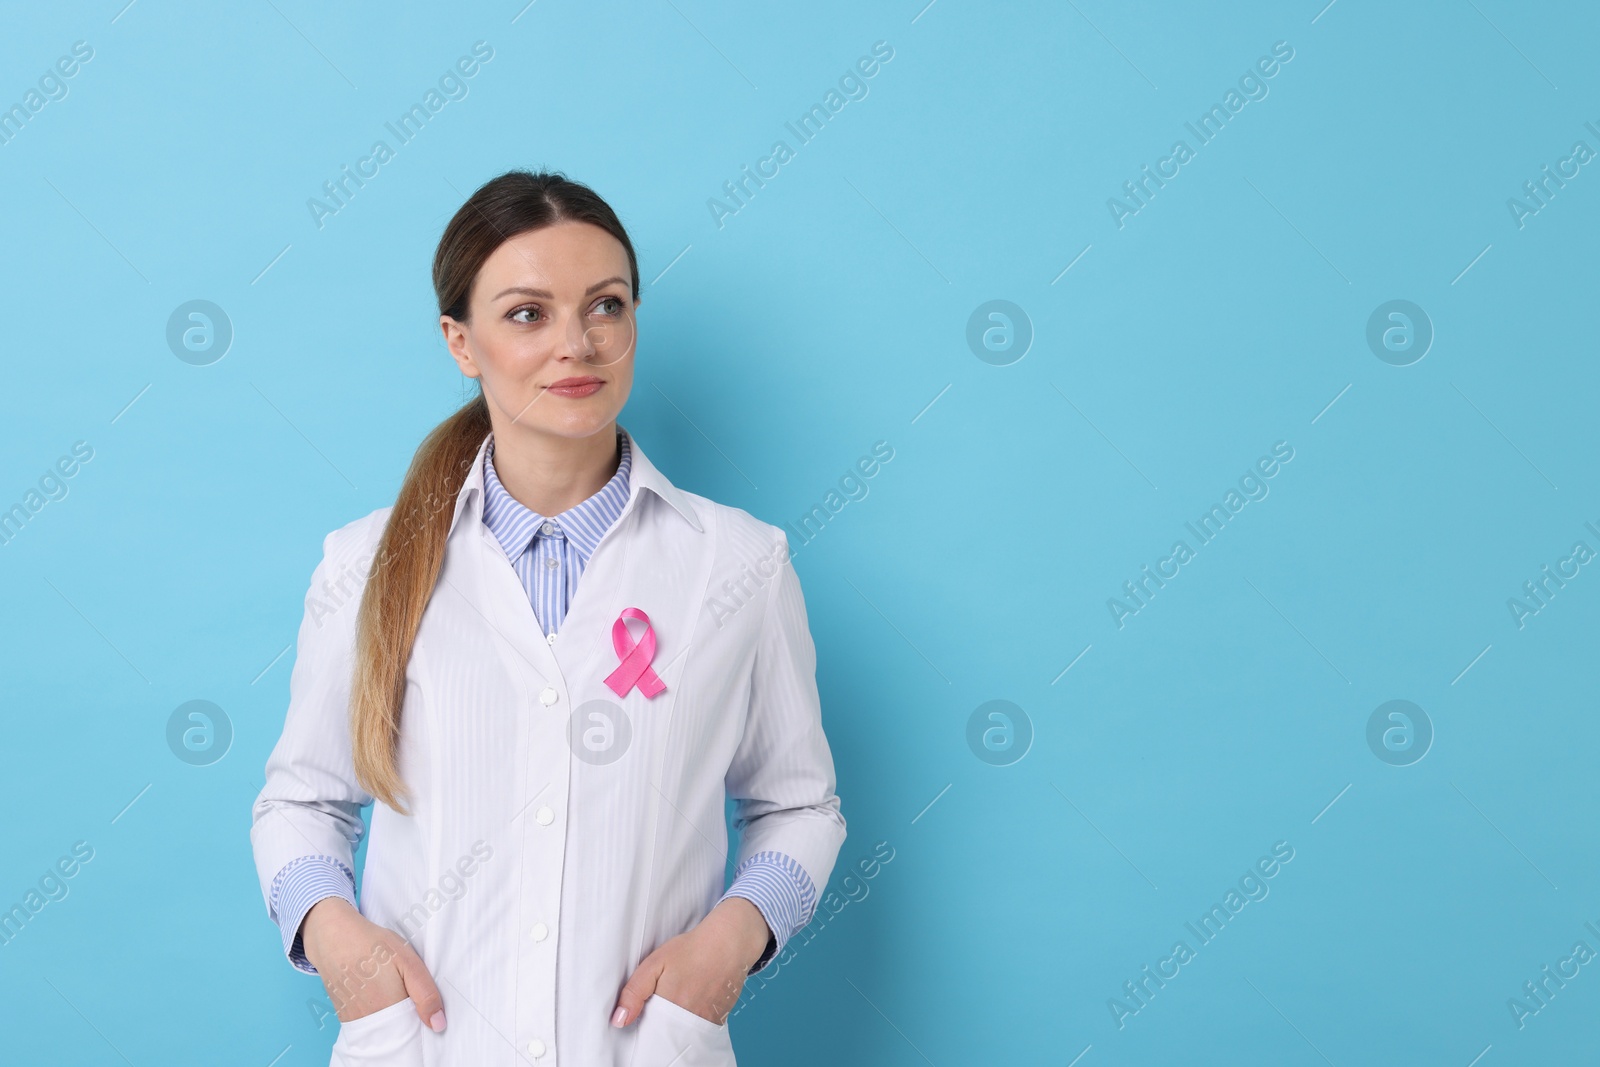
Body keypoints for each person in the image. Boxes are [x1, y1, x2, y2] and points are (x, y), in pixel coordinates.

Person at [249, 170, 846, 1066]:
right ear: (460, 341)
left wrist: (734, 939)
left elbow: (801, 803)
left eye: (605, 306)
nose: (578, 344)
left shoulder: (739, 564)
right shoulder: (364, 565)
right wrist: (338, 941)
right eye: (528, 313)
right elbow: (299, 800)